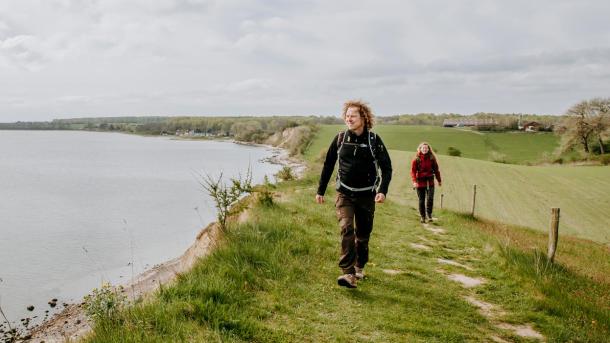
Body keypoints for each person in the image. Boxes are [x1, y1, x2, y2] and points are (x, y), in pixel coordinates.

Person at [316, 100, 392, 289]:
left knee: (363, 235)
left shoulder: (374, 140)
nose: (348, 119)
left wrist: (382, 190)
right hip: (345, 194)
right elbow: (328, 164)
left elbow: (387, 168)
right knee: (346, 228)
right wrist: (321, 190)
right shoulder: (340, 138)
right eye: (347, 115)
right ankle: (348, 273)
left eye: (353, 115)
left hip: (367, 196)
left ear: (363, 118)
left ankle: (359, 266)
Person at [411, 142, 442, 223]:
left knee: (430, 199)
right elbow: (413, 172)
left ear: (428, 149)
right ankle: (423, 216)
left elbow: (436, 170)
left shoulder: (432, 158)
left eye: (426, 148)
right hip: (420, 182)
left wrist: (439, 180)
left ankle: (429, 214)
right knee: (421, 200)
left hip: (430, 182)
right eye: (423, 148)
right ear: (420, 149)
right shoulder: (416, 159)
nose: (425, 149)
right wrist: (414, 181)